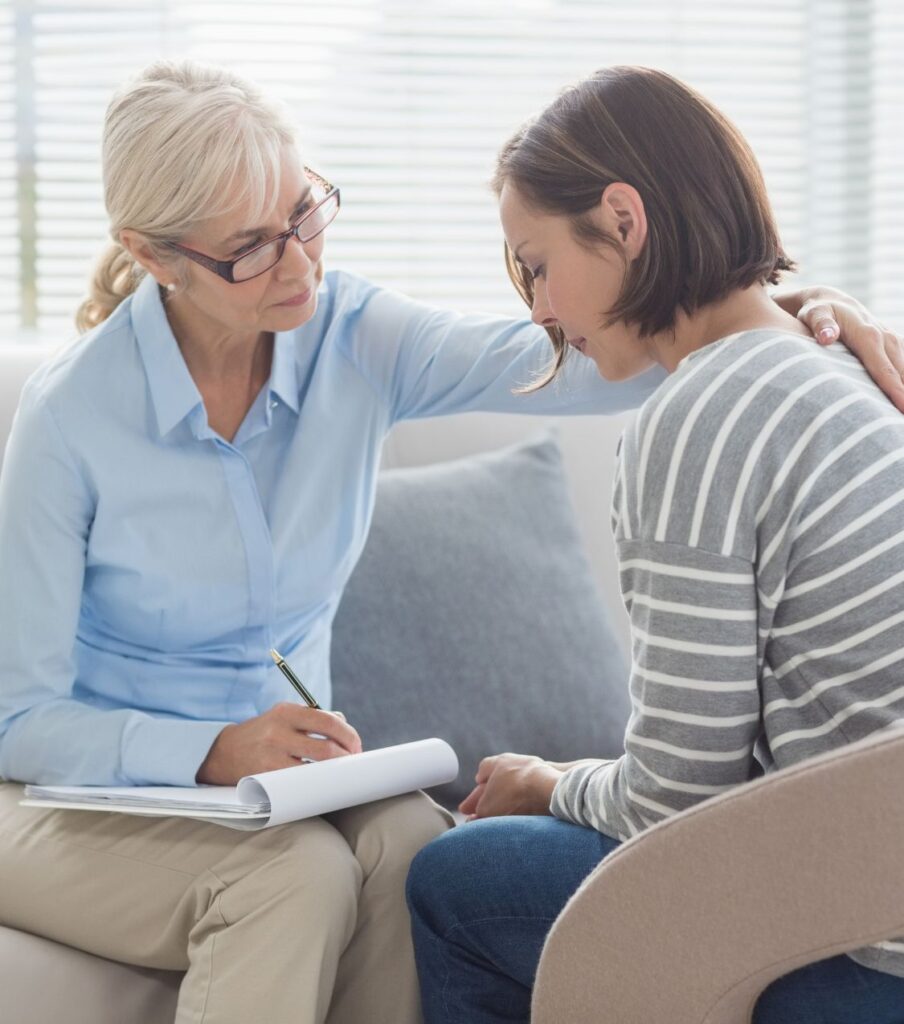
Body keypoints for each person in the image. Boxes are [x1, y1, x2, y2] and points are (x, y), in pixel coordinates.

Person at [0, 61, 898, 1024]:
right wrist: (208, 751)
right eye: (252, 250)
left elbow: (596, 341)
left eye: (304, 215)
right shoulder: (72, 419)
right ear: (155, 253)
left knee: (409, 844)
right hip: (92, 798)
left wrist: (795, 311)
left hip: (284, 789)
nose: (302, 265)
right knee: (297, 877)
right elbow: (21, 719)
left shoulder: (348, 336)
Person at [405, 66, 904, 1024]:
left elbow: (673, 808)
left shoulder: (698, 419)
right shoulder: (841, 358)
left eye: (536, 265)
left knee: (453, 880)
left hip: (868, 945)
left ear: (624, 220)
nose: (539, 311)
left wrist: (550, 783)